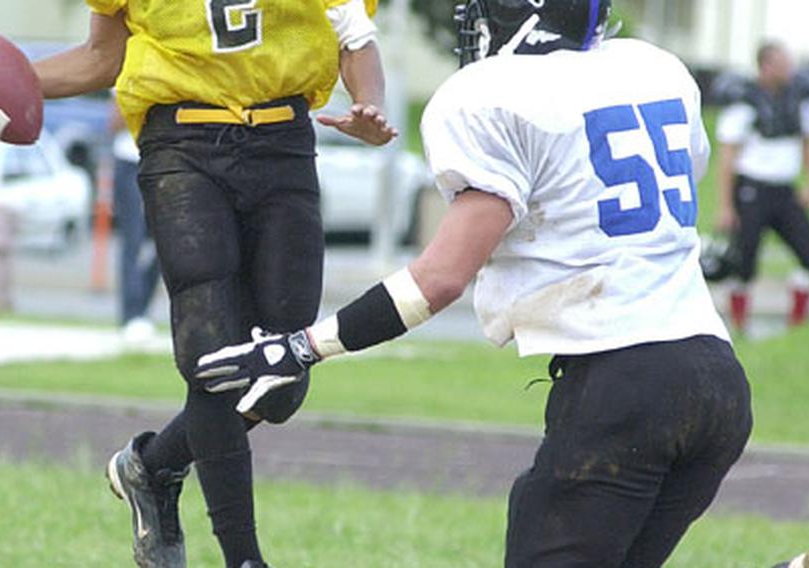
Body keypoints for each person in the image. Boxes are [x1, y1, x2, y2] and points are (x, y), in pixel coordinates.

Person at [194, 1, 757, 566]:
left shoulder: (498, 95)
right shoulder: (651, 68)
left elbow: (439, 280)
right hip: (717, 381)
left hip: (622, 384)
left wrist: (302, 346)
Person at [0, 2, 397, 567]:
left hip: (284, 144)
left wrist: (370, 105)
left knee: (280, 382)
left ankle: (151, 468)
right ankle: (244, 558)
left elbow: (355, 38)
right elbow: (103, 57)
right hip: (181, 144)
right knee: (214, 357)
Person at [716, 41, 809, 332]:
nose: (789, 69)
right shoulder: (744, 101)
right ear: (765, 66)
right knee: (744, 262)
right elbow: (727, 157)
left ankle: (797, 323)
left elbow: (808, 143)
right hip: (751, 190)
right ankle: (740, 325)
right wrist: (725, 205)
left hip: (784, 191)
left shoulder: (797, 98)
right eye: (781, 63)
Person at [109, 97, 161, 344]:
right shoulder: (126, 70)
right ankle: (131, 315)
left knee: (165, 242)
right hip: (130, 159)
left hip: (163, 158)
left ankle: (142, 310)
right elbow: (115, 121)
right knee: (133, 240)